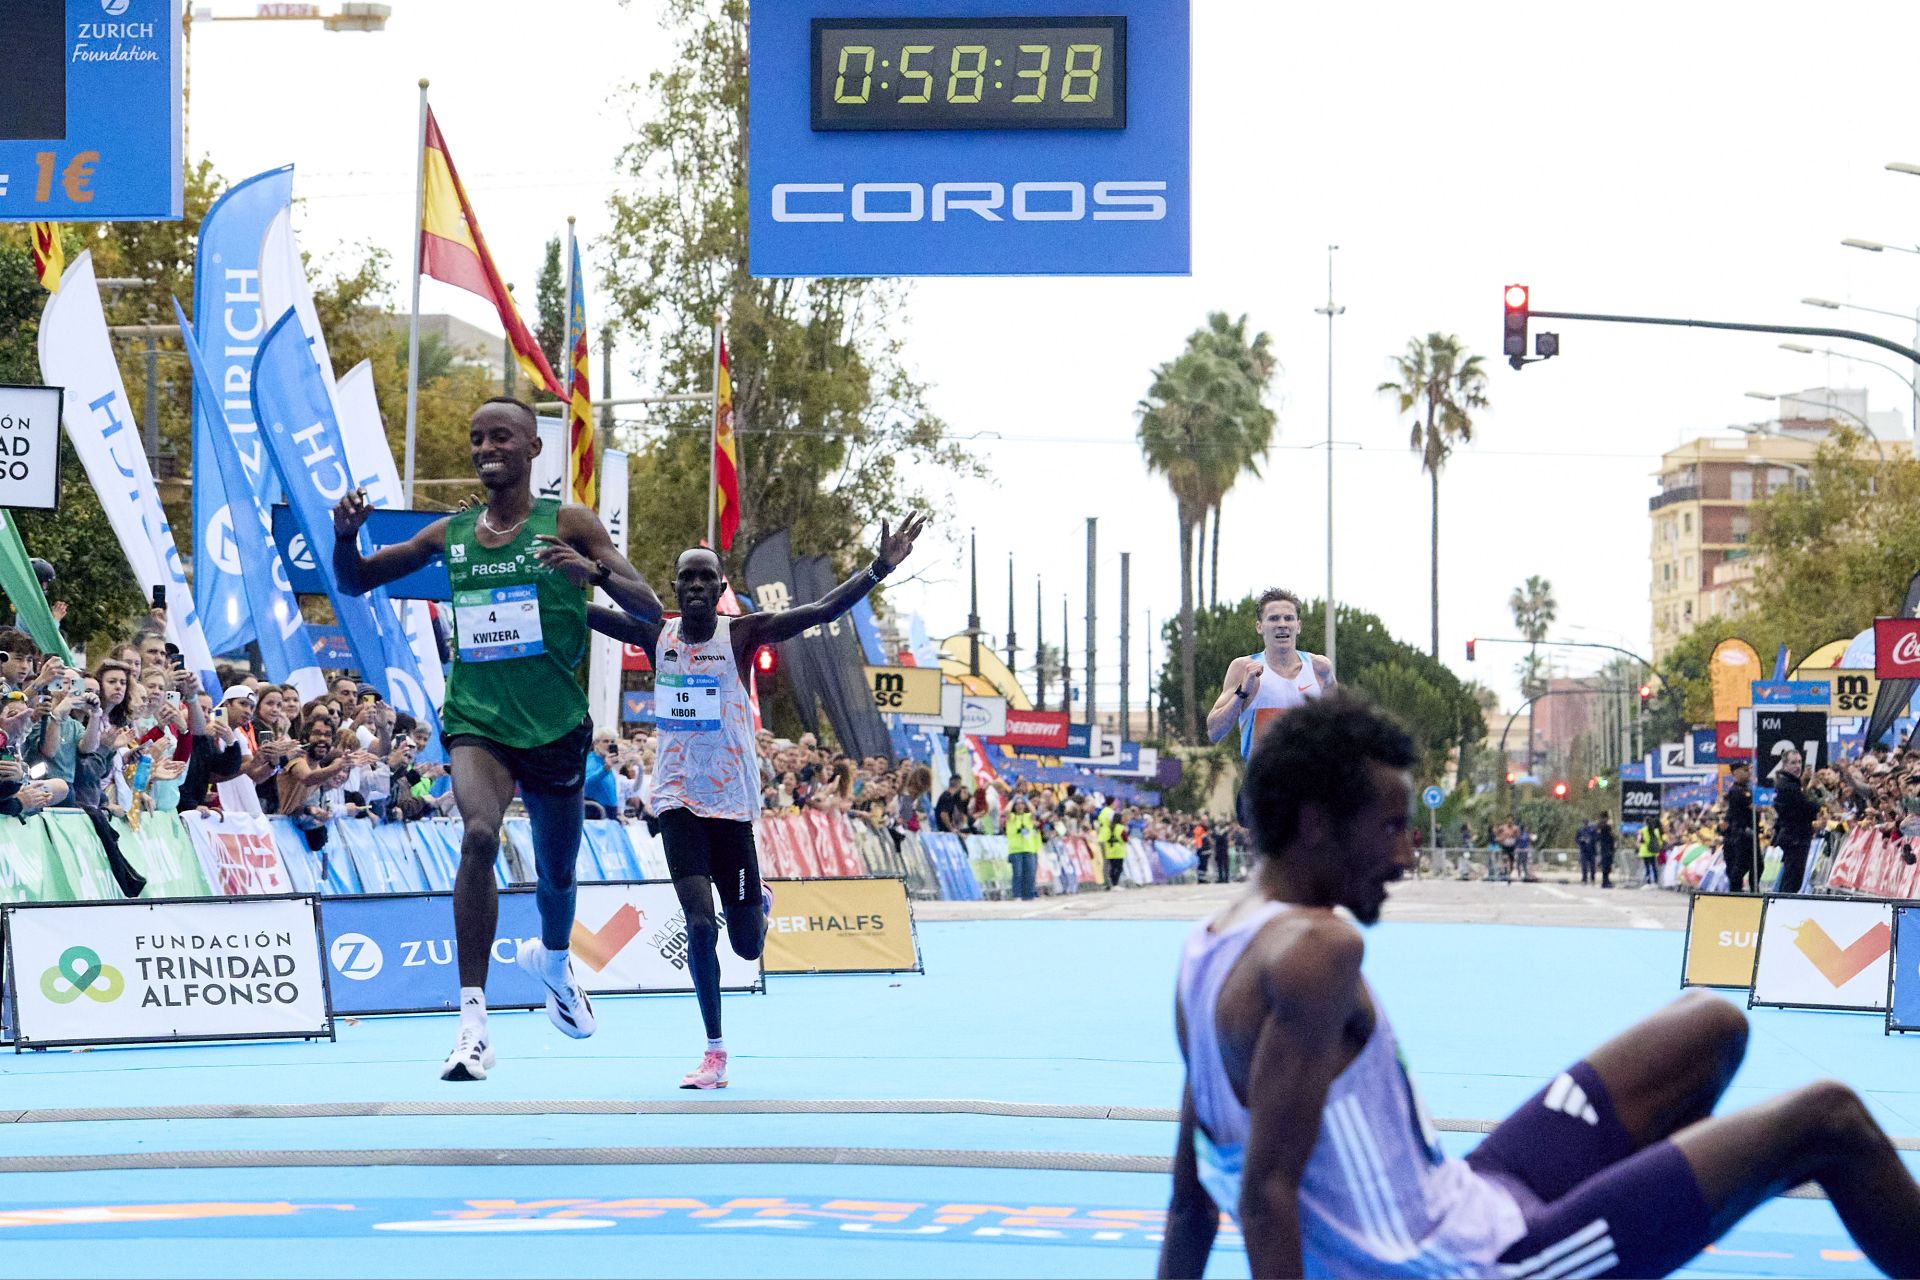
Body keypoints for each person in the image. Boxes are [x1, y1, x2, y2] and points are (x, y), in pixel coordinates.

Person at [1157, 690, 1920, 1280]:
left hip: (1473, 1198)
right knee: (1831, 1118)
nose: (1408, 857)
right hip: (1483, 1265)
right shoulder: (1318, 951)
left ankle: (1620, 1226)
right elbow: (1263, 1195)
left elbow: (1192, 1200)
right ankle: (1602, 1240)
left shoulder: (1208, 950)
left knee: (1712, 1025)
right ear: (1318, 824)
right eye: (1392, 828)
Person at [332, 395, 649, 1082]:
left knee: (557, 874)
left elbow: (649, 609)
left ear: (534, 449)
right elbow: (354, 581)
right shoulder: (449, 536)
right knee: (478, 835)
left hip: (557, 727)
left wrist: (589, 571)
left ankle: (558, 968)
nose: (485, 449)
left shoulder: (568, 521)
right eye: (476, 439)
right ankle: (472, 1025)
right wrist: (342, 538)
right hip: (476, 718)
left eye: (500, 437)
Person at [572, 511, 927, 1089]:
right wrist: (514, 568)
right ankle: (714, 1050)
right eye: (684, 579)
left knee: (743, 945)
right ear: (675, 587)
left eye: (704, 579)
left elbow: (818, 612)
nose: (693, 587)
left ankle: (755, 901)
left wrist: (876, 570)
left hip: (732, 806)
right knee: (696, 924)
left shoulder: (739, 635)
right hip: (678, 800)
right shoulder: (653, 635)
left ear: (719, 590)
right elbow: (580, 611)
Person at [1205, 588, 1335, 754]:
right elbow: (1214, 732)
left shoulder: (1320, 669)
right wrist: (1242, 693)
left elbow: (1340, 731)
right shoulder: (1243, 668)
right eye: (1274, 619)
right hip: (1263, 778)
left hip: (1310, 778)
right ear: (1260, 627)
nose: (1282, 624)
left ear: (1298, 626)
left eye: (1288, 618)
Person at [1771, 751, 1818, 895]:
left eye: (1799, 762)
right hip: (1795, 837)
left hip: (1795, 836)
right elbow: (1804, 809)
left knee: (1792, 878)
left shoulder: (1790, 783)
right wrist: (1816, 806)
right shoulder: (1788, 786)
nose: (1798, 766)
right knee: (1792, 880)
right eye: (1793, 763)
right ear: (1785, 764)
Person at [1721, 760, 1756, 893]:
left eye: (1749, 770)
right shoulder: (1736, 790)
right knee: (1740, 866)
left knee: (1756, 865)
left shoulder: (1747, 788)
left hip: (1748, 833)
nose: (1749, 773)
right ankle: (1736, 893)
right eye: (1745, 770)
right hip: (1741, 834)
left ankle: (1752, 891)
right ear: (1736, 772)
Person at [1005, 795, 1041, 901]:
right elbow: (1006, 811)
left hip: (1028, 848)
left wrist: (1026, 800)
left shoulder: (1028, 816)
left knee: (1030, 873)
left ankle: (1029, 894)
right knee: (1018, 873)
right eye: (1017, 804)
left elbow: (1035, 812)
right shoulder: (1011, 817)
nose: (1019, 806)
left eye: (1021, 804)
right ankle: (1017, 895)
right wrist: (1013, 800)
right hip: (1016, 849)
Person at [1595, 813, 1616, 889]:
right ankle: (1605, 881)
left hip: (1607, 848)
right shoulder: (1604, 826)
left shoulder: (1602, 826)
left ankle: (1606, 881)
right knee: (1606, 866)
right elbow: (1610, 836)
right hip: (1606, 848)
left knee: (1607, 866)